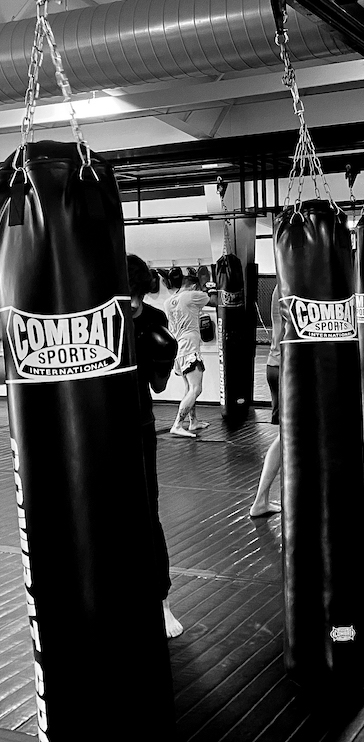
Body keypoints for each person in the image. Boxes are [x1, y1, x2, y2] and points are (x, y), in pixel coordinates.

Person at [128, 254, 184, 639]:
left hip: (139, 424)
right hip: (96, 429)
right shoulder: (98, 316)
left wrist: (160, 359)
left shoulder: (153, 320)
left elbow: (159, 387)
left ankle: (162, 603)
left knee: (148, 513)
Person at [164, 269, 214, 437]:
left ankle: (193, 422)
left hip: (177, 348)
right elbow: (214, 300)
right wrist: (208, 285)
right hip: (190, 347)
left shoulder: (169, 301)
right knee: (196, 389)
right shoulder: (192, 295)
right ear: (193, 286)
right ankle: (177, 424)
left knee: (188, 387)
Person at [250, 283, 283, 517]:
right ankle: (260, 500)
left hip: (276, 365)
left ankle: (262, 500)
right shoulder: (301, 281)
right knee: (286, 438)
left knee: (287, 437)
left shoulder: (283, 281)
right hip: (289, 370)